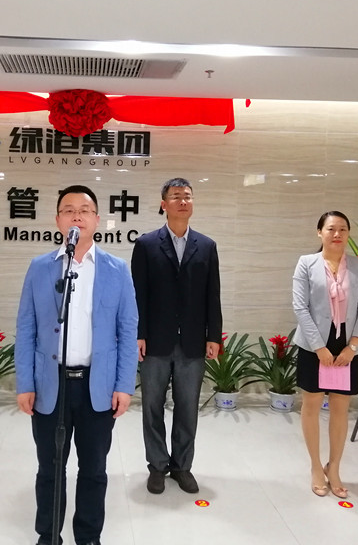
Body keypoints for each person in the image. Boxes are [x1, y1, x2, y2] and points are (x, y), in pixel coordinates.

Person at [15, 185, 138, 545]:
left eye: (84, 210)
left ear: (97, 220)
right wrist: (25, 383)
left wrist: (124, 385)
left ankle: (88, 536)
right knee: (49, 469)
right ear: (57, 220)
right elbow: (26, 327)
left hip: (96, 385)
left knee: (94, 469)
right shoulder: (40, 268)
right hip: (49, 385)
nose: (77, 216)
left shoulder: (117, 269)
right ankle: (48, 535)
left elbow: (128, 330)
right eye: (68, 210)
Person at [131, 177, 222, 495]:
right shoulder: (146, 245)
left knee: (187, 407)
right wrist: (139, 333)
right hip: (155, 341)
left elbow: (213, 295)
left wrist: (214, 336)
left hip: (193, 342)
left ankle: (182, 466)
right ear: (163, 204)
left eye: (187, 196)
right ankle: (157, 466)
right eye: (176, 196)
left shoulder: (207, 246)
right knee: (152, 406)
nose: (183, 201)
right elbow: (138, 294)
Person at [292, 211, 358, 498]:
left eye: (342, 229)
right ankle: (316, 467)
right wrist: (319, 347)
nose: (336, 234)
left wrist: (353, 347)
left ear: (348, 233)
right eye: (330, 229)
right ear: (320, 232)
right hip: (313, 346)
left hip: (348, 347)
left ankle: (334, 467)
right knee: (312, 404)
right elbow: (300, 307)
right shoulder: (306, 264)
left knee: (340, 407)